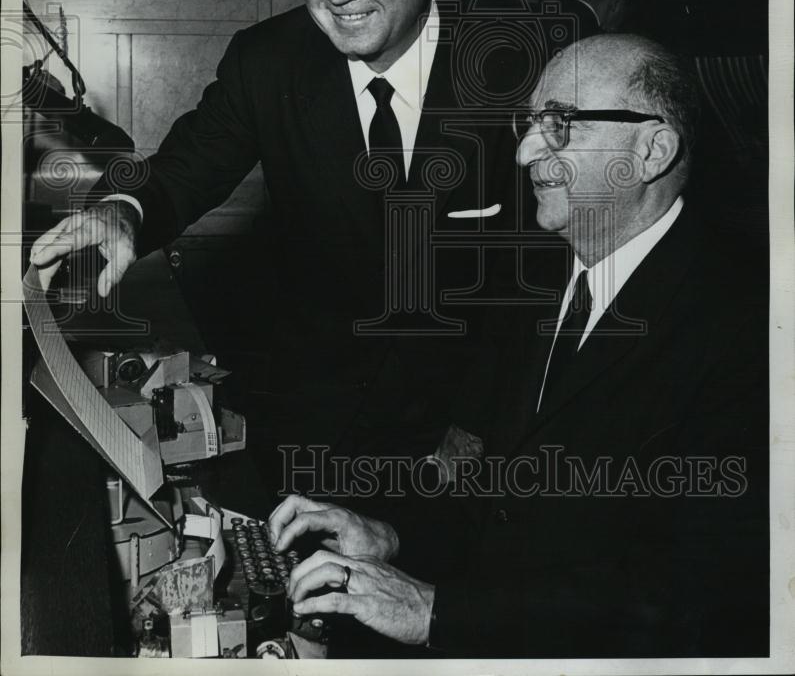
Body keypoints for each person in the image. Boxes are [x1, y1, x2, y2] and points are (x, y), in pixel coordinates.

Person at [29, 0, 524, 479]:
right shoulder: (267, 61)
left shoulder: (511, 69)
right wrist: (124, 212)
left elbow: (537, 276)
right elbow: (185, 169)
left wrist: (478, 423)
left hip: (461, 431)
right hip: (313, 424)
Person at [268, 33, 768, 658]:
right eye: (529, 124)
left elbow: (695, 596)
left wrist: (433, 611)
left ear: (652, 150)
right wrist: (390, 537)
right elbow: (500, 499)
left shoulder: (751, 327)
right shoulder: (535, 286)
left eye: (560, 125)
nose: (527, 150)